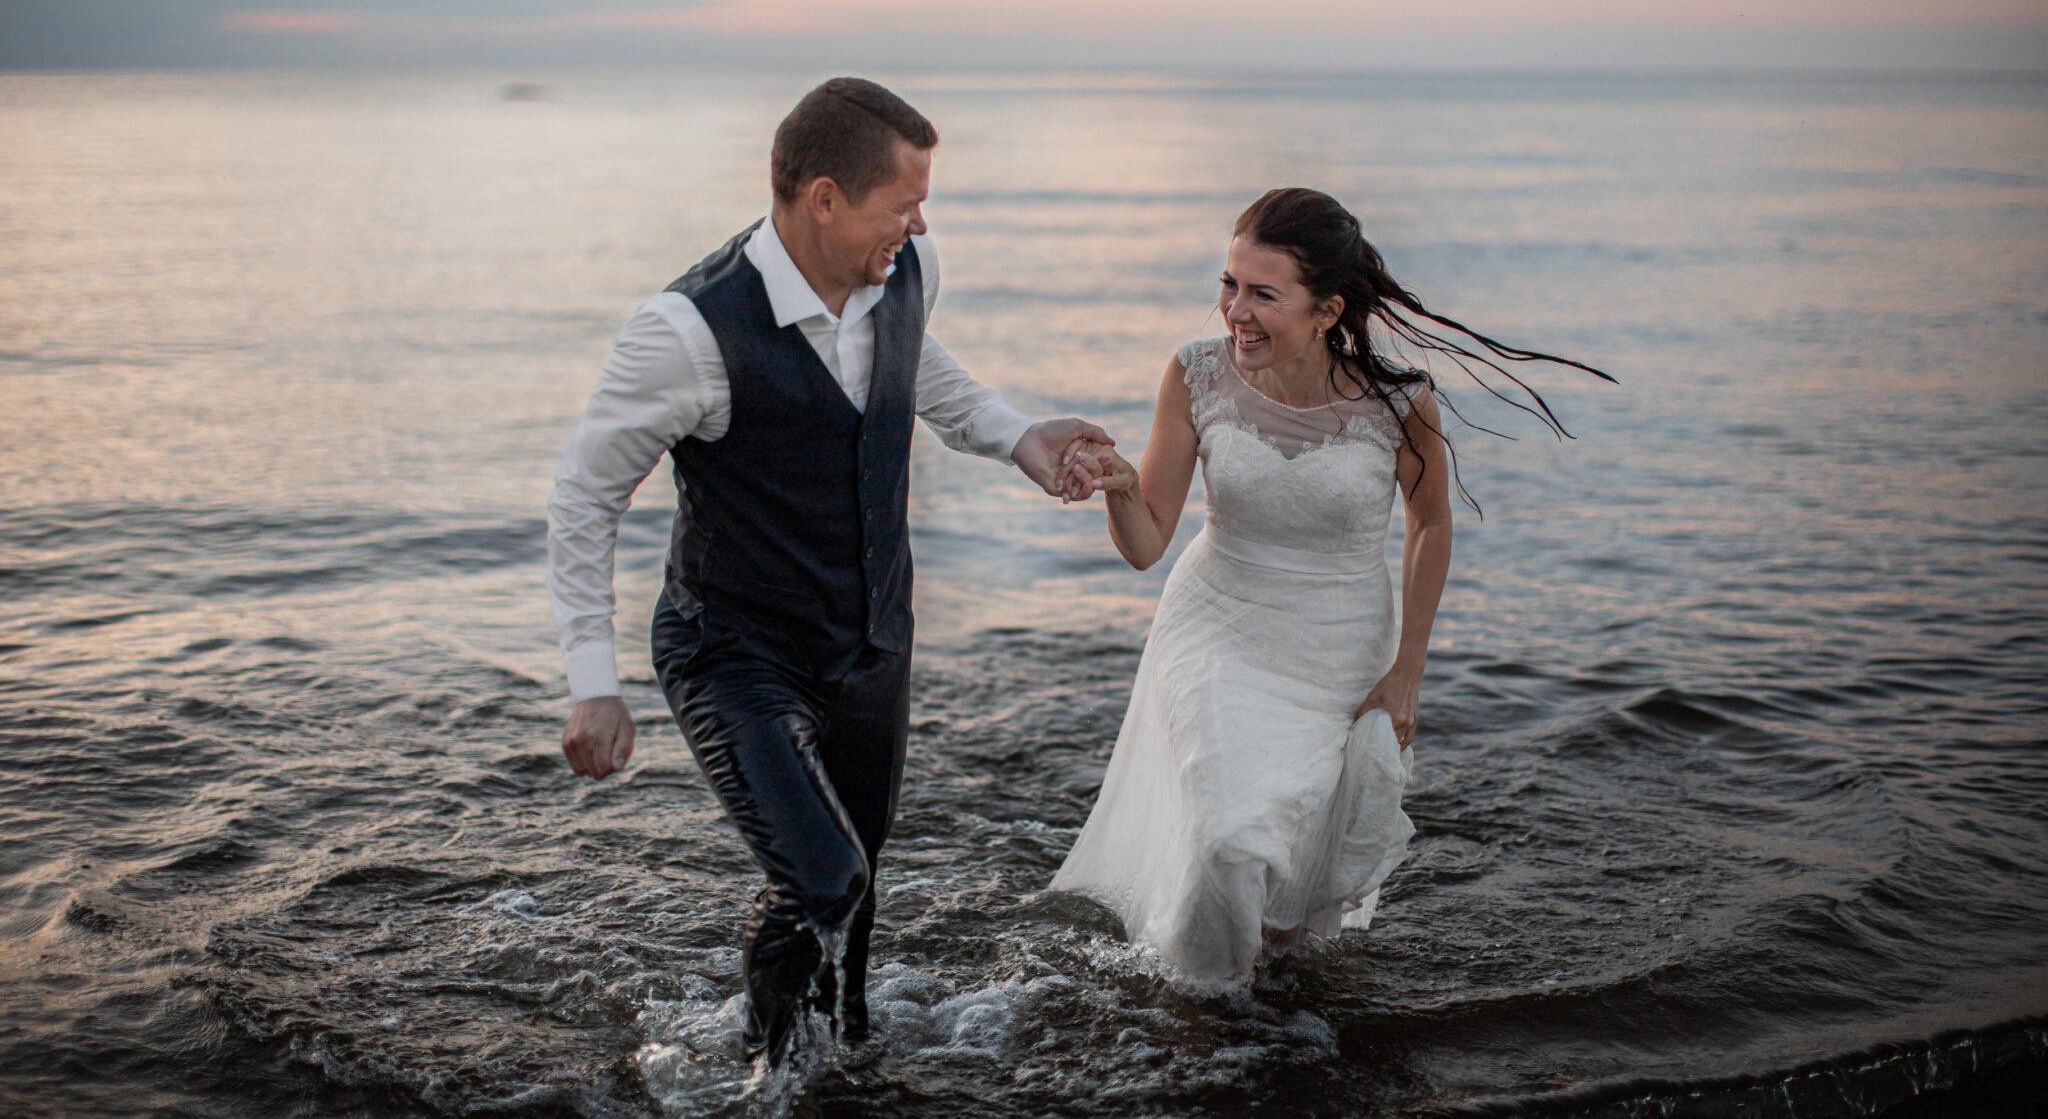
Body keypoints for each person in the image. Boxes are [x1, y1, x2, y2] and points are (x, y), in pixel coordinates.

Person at [546, 77, 1109, 1066]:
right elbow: (585, 494)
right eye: (903, 201)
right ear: (824, 200)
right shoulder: (684, 332)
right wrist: (594, 684)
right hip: (734, 647)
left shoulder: (902, 267)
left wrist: (1017, 435)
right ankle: (764, 1072)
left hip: (871, 642)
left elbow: (910, 361)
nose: (920, 221)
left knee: (858, 880)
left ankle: (841, 1053)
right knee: (820, 877)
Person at [1051, 187, 1610, 980]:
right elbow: (1147, 544)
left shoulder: (1400, 402)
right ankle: (1205, 1015)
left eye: (1262, 294)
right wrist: (1116, 484)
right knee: (1225, 840)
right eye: (1229, 284)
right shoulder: (1194, 373)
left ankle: (1268, 999)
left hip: (1338, 646)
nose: (1234, 311)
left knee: (1291, 862)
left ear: (1326, 310)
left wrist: (1408, 668)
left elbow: (1431, 524)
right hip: (1217, 623)